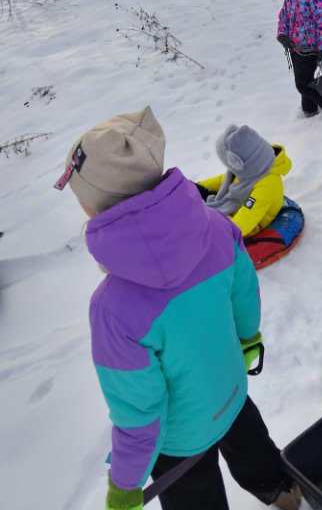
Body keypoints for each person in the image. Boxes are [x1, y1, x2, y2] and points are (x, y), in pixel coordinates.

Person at [54, 107, 300, 510]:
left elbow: (139, 414)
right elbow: (243, 294)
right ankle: (284, 493)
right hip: (232, 392)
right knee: (253, 450)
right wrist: (249, 338)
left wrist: (125, 485)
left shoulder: (112, 308)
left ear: (93, 206)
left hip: (179, 440)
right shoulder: (218, 229)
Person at [198, 124, 292, 239]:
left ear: (237, 162)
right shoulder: (252, 168)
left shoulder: (267, 186)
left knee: (198, 223)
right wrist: (195, 187)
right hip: (236, 208)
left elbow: (244, 222)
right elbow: (223, 180)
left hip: (251, 224)